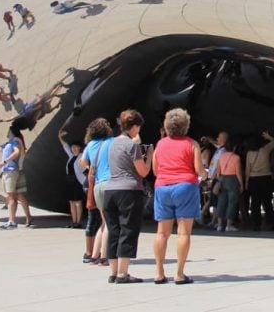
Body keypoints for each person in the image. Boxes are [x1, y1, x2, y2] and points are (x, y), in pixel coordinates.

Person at [152, 108, 205, 284]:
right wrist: (205, 175)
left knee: (162, 232)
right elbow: (198, 169)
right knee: (183, 233)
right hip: (185, 186)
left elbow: (155, 169)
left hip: (163, 186)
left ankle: (159, 273)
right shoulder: (192, 144)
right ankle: (179, 274)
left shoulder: (160, 144)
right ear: (185, 125)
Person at [104, 109, 152, 284]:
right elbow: (143, 171)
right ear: (135, 126)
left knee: (114, 231)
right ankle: (123, 273)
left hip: (110, 190)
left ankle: (114, 272)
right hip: (129, 191)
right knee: (128, 230)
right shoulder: (132, 146)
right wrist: (149, 158)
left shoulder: (111, 144)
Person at [0, 127, 31, 229]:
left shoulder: (14, 142)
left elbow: (17, 152)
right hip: (12, 171)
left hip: (11, 171)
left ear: (12, 132)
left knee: (10, 196)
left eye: (9, 130)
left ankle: (12, 221)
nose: (7, 131)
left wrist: (4, 162)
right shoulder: (7, 144)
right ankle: (28, 216)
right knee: (19, 195)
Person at [81, 118, 113, 265]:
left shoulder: (90, 145)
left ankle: (94, 255)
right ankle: (105, 256)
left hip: (97, 185)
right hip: (110, 183)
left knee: (102, 222)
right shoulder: (111, 142)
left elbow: (82, 161)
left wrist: (90, 167)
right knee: (109, 223)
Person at [245, 131, 274, 231]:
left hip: (253, 179)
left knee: (255, 202)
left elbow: (247, 169)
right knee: (268, 202)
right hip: (266, 178)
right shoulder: (265, 150)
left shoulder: (249, 153)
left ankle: (256, 224)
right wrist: (268, 136)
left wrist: (246, 182)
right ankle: (270, 223)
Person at [213, 140, 243, 232]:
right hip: (233, 180)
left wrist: (219, 179)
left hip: (222, 179)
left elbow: (217, 171)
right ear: (234, 148)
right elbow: (238, 172)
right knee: (232, 203)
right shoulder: (236, 158)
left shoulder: (221, 157)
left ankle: (219, 225)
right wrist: (241, 184)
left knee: (221, 202)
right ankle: (228, 225)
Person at [58, 130, 86, 227]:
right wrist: (60, 137)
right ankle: (73, 221)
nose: (73, 149)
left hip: (78, 181)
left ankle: (78, 222)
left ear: (79, 148)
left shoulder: (82, 156)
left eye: (76, 147)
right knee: (72, 202)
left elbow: (85, 167)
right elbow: (65, 146)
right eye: (73, 147)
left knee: (78, 202)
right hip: (70, 181)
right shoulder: (71, 157)